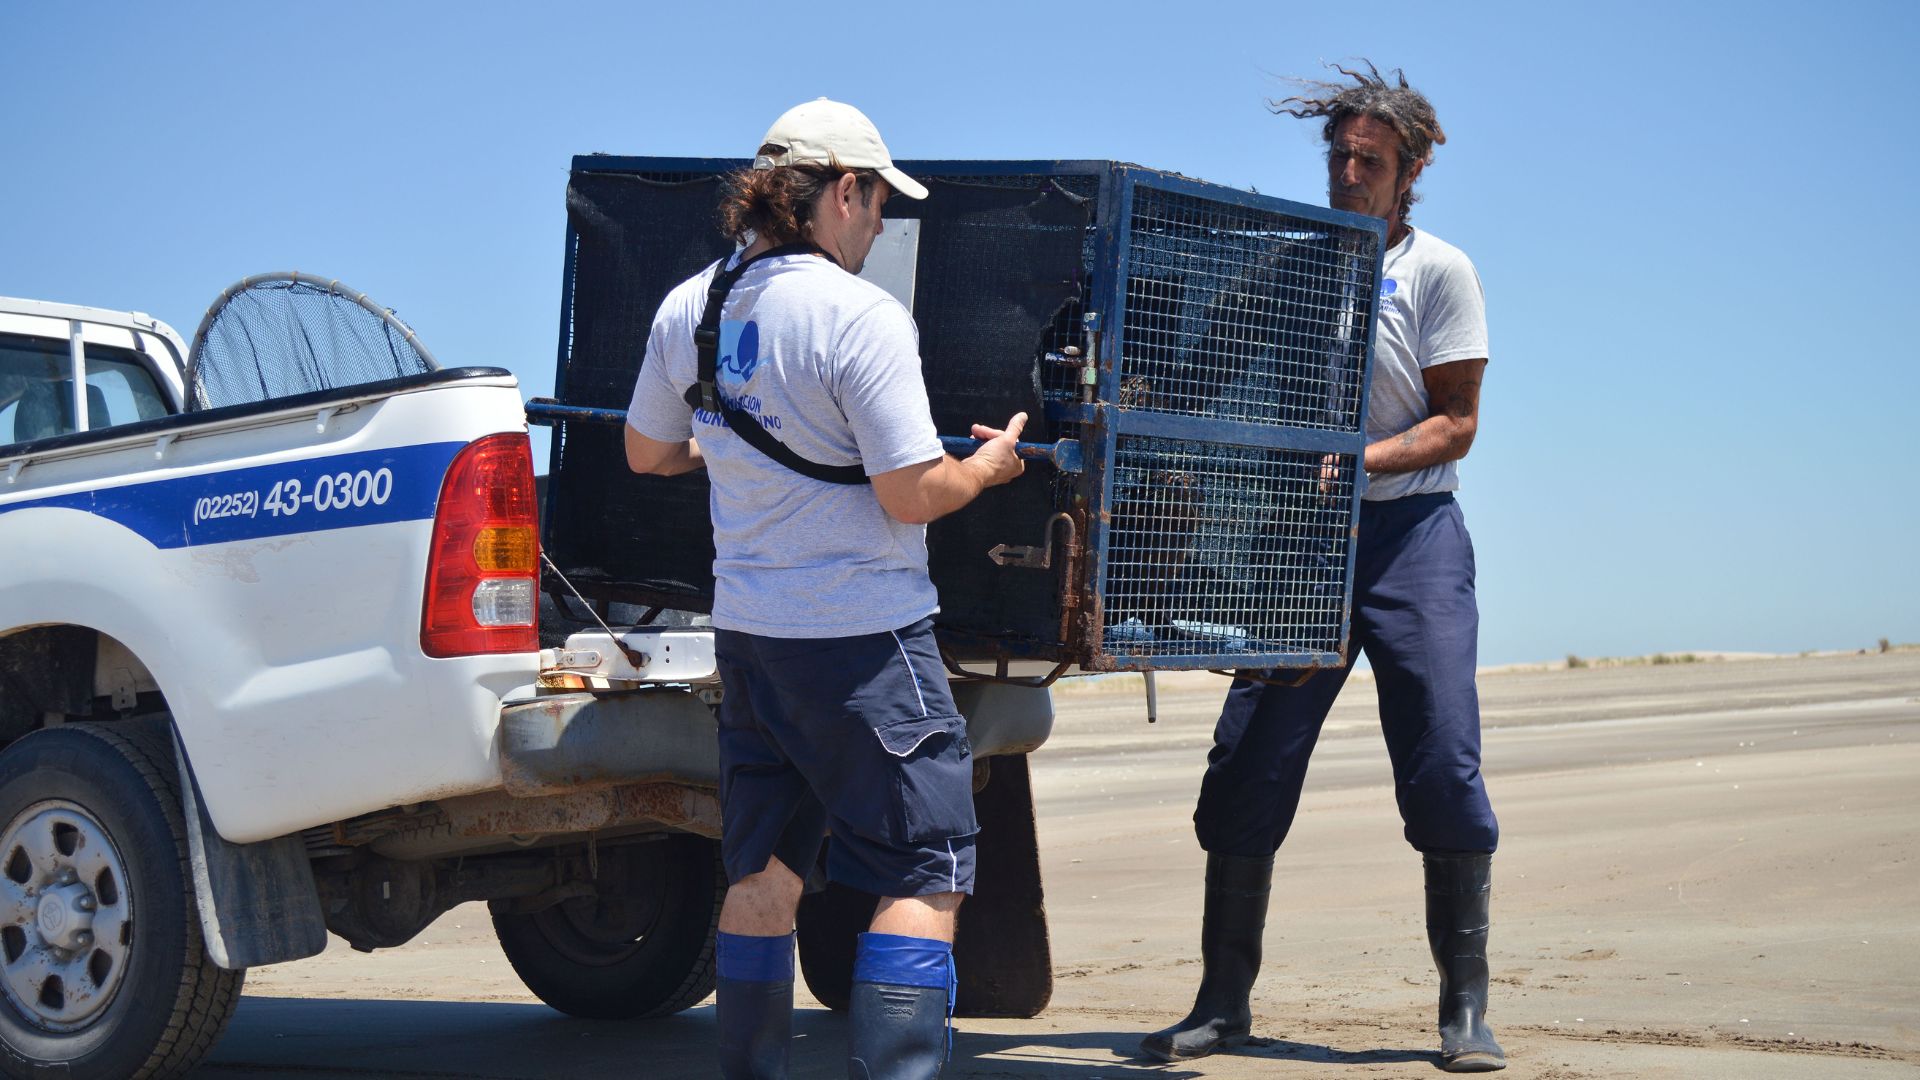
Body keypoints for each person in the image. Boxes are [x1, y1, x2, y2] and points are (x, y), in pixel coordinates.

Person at [623, 98, 1028, 1080]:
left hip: (754, 647)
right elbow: (911, 492)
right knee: (925, 873)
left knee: (760, 874)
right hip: (866, 644)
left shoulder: (695, 305)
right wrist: (990, 469)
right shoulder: (861, 315)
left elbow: (645, 453)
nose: (882, 224)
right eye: (880, 201)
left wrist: (731, 449)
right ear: (840, 191)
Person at [1140, 63, 1505, 1072]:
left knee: (1439, 746)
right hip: (1300, 549)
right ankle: (1221, 1003)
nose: (1347, 175)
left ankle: (1463, 1010)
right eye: (1338, 157)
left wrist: (1354, 464)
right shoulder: (1292, 268)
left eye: (1369, 162)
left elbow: (1457, 425)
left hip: (1411, 539)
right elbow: (1200, 370)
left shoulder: (1441, 273)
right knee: (1252, 754)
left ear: (1411, 171)